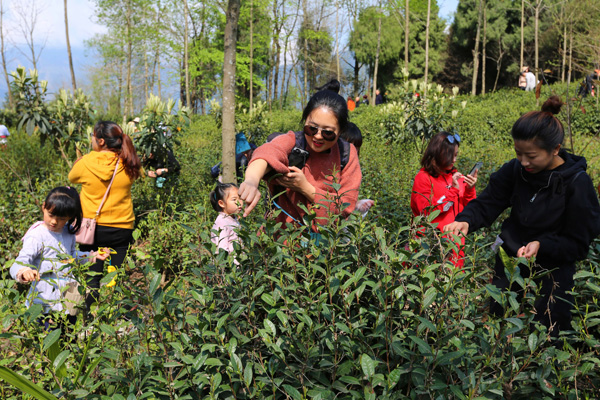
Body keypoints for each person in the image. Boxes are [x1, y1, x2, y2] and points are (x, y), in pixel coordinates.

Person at [445, 96, 600, 334]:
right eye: (519, 153)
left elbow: (578, 244)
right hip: (510, 263)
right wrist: (466, 220)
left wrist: (542, 244)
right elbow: (489, 201)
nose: (524, 161)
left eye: (532, 155)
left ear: (555, 149)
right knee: (500, 328)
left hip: (552, 273)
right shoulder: (516, 169)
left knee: (547, 334)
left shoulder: (577, 184)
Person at [238, 90, 362, 233]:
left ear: (340, 132)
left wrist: (305, 188)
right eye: (311, 128)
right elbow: (267, 152)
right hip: (282, 239)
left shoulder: (346, 154)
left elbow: (345, 205)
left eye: (327, 132)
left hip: (325, 245)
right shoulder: (294, 141)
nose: (318, 136)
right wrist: (251, 181)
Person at [68, 121, 142, 311]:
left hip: (92, 229)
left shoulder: (86, 162)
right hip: (122, 228)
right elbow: (138, 174)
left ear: (101, 141)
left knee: (92, 276)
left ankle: (90, 318)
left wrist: (82, 160)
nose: (91, 139)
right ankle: (119, 321)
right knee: (117, 276)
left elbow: (72, 178)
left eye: (93, 136)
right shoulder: (128, 161)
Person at [9, 187, 109, 327]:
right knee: (50, 341)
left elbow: (71, 256)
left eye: (61, 219)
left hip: (69, 298)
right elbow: (18, 264)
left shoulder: (68, 232)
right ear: (44, 207)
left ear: (69, 217)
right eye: (51, 215)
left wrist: (93, 255)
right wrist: (24, 272)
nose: (54, 222)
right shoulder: (37, 235)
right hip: (45, 301)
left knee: (68, 338)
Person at [411, 132, 478, 267]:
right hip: (433, 247)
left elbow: (470, 210)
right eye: (450, 155)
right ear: (437, 154)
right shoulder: (423, 178)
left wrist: (470, 188)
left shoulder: (455, 176)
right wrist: (452, 190)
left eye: (456, 155)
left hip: (455, 246)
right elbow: (426, 212)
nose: (453, 160)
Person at [210, 182, 242, 254]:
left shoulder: (232, 218)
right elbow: (222, 249)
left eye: (240, 198)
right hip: (229, 264)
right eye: (234, 199)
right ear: (221, 203)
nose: (239, 202)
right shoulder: (222, 223)